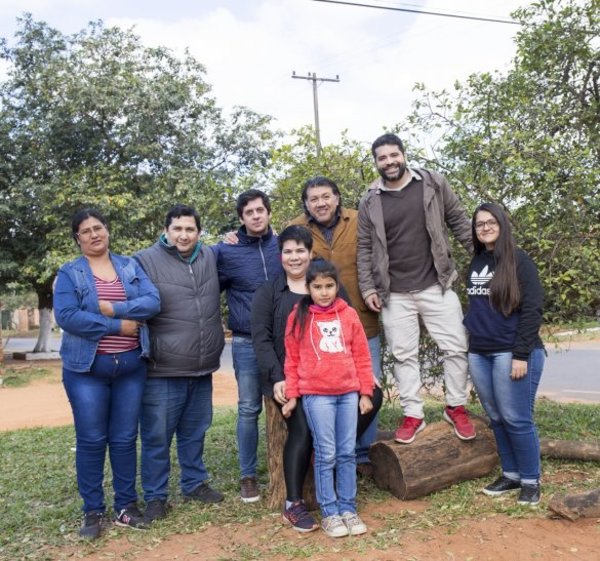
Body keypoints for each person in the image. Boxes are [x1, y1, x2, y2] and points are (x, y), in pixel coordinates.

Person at [251, 226, 383, 533]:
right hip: (290, 378)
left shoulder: (332, 289)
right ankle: (293, 504)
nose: (294, 257)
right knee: (301, 428)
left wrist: (363, 373)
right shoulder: (269, 292)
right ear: (280, 254)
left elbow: (352, 336)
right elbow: (262, 341)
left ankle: (336, 453)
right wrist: (279, 379)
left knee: (373, 395)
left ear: (311, 254)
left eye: (301, 250)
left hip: (336, 379)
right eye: (288, 251)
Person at [357, 133, 476, 445]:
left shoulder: (433, 183)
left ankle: (456, 406)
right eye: (382, 158)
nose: (389, 162)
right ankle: (414, 415)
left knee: (455, 347)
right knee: (403, 355)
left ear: (403, 155)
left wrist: (488, 259)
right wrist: (368, 286)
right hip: (393, 293)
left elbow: (460, 222)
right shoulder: (370, 200)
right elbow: (364, 248)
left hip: (436, 284)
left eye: (393, 155)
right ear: (376, 163)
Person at [54, 209, 160, 539]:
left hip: (130, 367)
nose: (93, 234)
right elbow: (68, 316)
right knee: (91, 440)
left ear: (108, 231)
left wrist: (112, 308)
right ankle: (93, 511)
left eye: (98, 228)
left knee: (125, 439)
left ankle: (126, 507)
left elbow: (153, 301)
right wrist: (118, 326)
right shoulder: (70, 273)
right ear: (78, 239)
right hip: (86, 371)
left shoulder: (129, 265)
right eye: (85, 231)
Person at [135, 204, 225, 524]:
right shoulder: (144, 261)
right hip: (163, 368)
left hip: (202, 367)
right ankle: (156, 496)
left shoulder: (211, 256)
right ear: (166, 230)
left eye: (190, 229)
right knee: (157, 436)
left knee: (195, 431)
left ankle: (194, 482)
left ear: (199, 232)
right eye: (177, 229)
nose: (183, 235)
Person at [289, 176, 381, 471]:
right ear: (306, 204)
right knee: (330, 391)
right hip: (319, 327)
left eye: (326, 196)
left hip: (361, 320)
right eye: (313, 199)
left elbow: (379, 254)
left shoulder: (358, 220)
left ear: (337, 198)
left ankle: (363, 454)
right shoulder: (296, 228)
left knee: (368, 387)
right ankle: (335, 453)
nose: (321, 203)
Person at [283, 259, 375, 538]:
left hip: (348, 394)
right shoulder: (298, 316)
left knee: (347, 452)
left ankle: (348, 508)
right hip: (317, 396)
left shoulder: (348, 315)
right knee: (327, 454)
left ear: (337, 286)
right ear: (308, 288)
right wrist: (291, 396)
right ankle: (330, 513)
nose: (324, 292)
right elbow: (292, 359)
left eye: (329, 286)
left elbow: (362, 355)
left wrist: (366, 391)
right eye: (317, 286)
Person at [463, 203, 545, 506]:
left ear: (502, 224)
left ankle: (530, 480)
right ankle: (511, 475)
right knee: (496, 418)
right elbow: (480, 306)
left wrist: (521, 354)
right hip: (480, 352)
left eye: (490, 222)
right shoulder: (477, 261)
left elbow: (533, 308)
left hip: (512, 352)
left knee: (516, 418)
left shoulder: (519, 260)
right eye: (479, 224)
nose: (484, 227)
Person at [212, 189, 282, 502]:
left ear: (268, 213)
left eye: (260, 210)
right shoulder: (226, 252)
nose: (255, 216)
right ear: (241, 218)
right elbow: (205, 283)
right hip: (246, 341)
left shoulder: (283, 245)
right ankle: (248, 475)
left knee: (289, 403)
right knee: (249, 408)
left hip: (284, 339)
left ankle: (291, 466)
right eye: (249, 212)